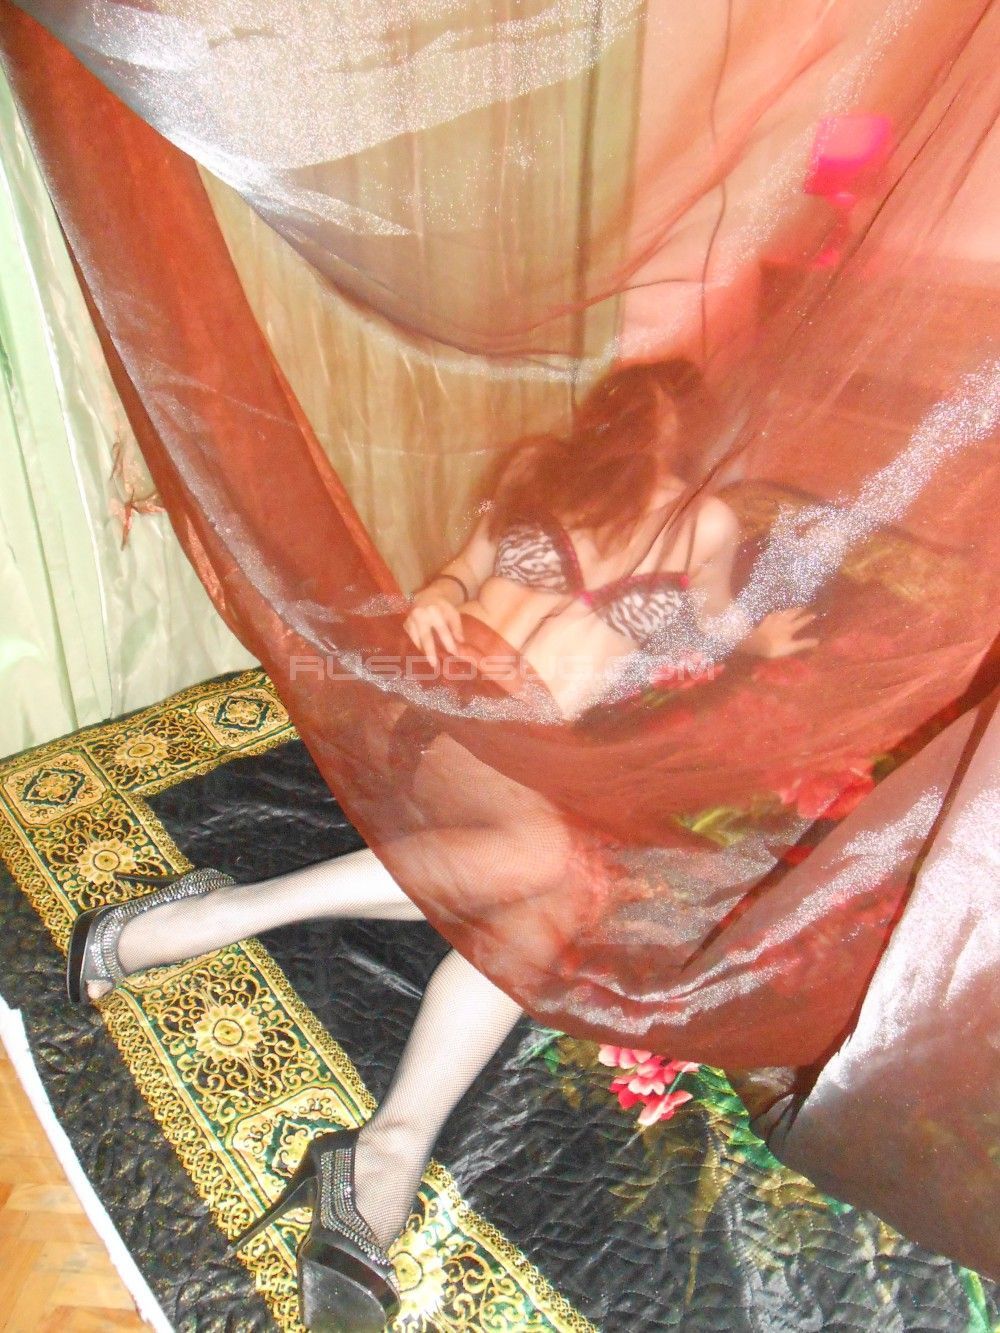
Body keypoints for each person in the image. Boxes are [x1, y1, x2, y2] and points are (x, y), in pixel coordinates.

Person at [65, 360, 817, 1331]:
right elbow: (460, 572)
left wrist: (760, 645)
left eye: (673, 420)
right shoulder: (541, 470)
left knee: (557, 898)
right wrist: (432, 595)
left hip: (528, 755)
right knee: (555, 862)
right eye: (644, 412)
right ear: (616, 418)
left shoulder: (703, 521)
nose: (658, 434)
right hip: (440, 697)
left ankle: (382, 1156)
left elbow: (713, 626)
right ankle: (210, 915)